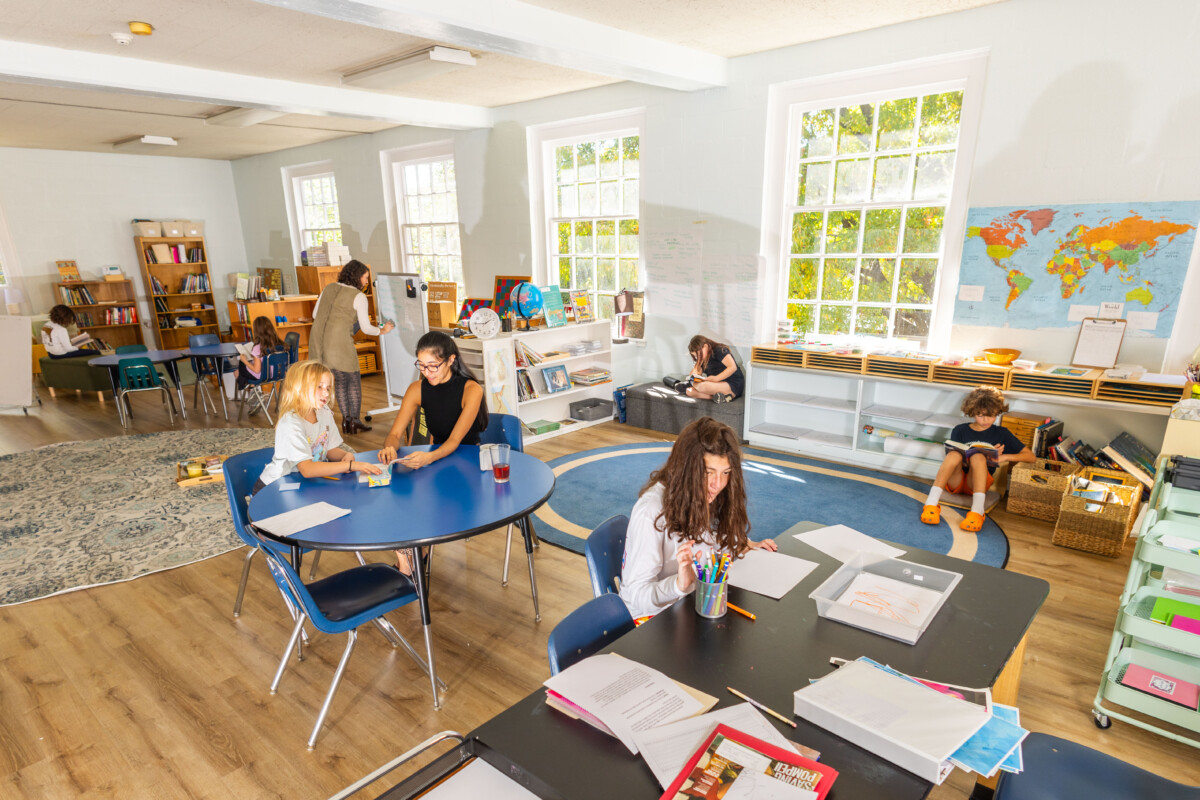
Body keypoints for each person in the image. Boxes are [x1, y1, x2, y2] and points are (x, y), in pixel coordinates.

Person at [618, 416, 778, 619]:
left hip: (693, 605)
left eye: (726, 472)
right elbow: (635, 596)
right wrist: (678, 585)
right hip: (652, 621)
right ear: (686, 469)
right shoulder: (650, 511)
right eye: (708, 472)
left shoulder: (706, 494)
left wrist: (745, 544)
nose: (717, 484)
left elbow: (713, 538)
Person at [254, 359, 381, 495]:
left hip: (304, 484)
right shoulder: (291, 423)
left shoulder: (324, 412)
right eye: (319, 387)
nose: (326, 393)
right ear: (299, 387)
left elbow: (329, 449)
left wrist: (346, 455)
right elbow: (307, 469)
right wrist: (349, 465)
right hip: (275, 488)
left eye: (328, 388)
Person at [920, 386, 1035, 532]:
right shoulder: (960, 430)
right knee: (954, 454)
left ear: (998, 413)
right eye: (981, 415)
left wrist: (1003, 457)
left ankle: (977, 512)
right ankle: (931, 504)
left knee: (978, 456)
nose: (986, 420)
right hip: (956, 480)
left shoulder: (1001, 433)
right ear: (973, 412)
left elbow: (1030, 457)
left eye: (991, 415)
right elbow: (954, 458)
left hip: (976, 483)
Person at [377, 330, 488, 470]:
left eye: (433, 365)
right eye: (422, 365)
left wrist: (428, 458)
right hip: (436, 458)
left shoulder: (471, 390)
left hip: (468, 460)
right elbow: (394, 434)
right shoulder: (416, 389)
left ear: (451, 360)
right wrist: (389, 448)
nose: (426, 372)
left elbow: (454, 441)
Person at [309, 259, 396, 435]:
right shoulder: (359, 296)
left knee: (339, 381)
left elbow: (314, 314)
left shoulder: (329, 288)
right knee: (353, 381)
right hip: (339, 342)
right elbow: (366, 328)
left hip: (318, 340)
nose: (366, 281)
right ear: (357, 277)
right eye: (365, 277)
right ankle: (354, 422)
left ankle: (346, 422)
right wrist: (383, 330)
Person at [663, 335, 744, 404]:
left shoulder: (719, 350)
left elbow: (733, 367)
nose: (697, 357)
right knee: (689, 391)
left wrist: (716, 379)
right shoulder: (702, 359)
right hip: (717, 384)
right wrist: (698, 362)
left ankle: (730, 394)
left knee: (702, 386)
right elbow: (693, 376)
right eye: (695, 356)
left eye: (698, 354)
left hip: (733, 384)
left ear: (705, 346)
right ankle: (721, 397)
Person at [237, 315, 284, 387]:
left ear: (257, 331)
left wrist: (244, 361)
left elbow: (256, 370)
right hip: (278, 374)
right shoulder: (280, 343)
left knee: (242, 364)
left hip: (263, 376)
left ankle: (245, 386)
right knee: (245, 367)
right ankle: (249, 386)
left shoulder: (257, 347)